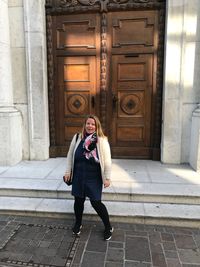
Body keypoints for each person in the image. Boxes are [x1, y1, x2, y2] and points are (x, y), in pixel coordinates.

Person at [64, 114, 113, 241]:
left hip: (94, 176)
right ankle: (78, 223)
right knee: (78, 201)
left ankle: (108, 227)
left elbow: (107, 161)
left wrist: (107, 177)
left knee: (96, 202)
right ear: (84, 125)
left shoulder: (101, 141)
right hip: (79, 175)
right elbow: (70, 156)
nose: (90, 126)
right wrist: (67, 172)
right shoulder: (77, 138)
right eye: (88, 123)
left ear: (96, 126)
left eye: (93, 124)